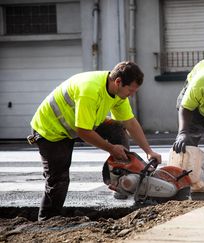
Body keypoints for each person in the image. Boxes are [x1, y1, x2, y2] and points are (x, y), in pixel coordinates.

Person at [28, 61, 161, 221]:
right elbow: (83, 131)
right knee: (59, 179)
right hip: (51, 130)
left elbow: (130, 122)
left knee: (116, 128)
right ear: (118, 82)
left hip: (78, 124)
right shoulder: (90, 91)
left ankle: (121, 181)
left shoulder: (118, 93)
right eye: (130, 90)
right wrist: (111, 148)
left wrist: (149, 151)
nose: (131, 94)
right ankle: (47, 221)